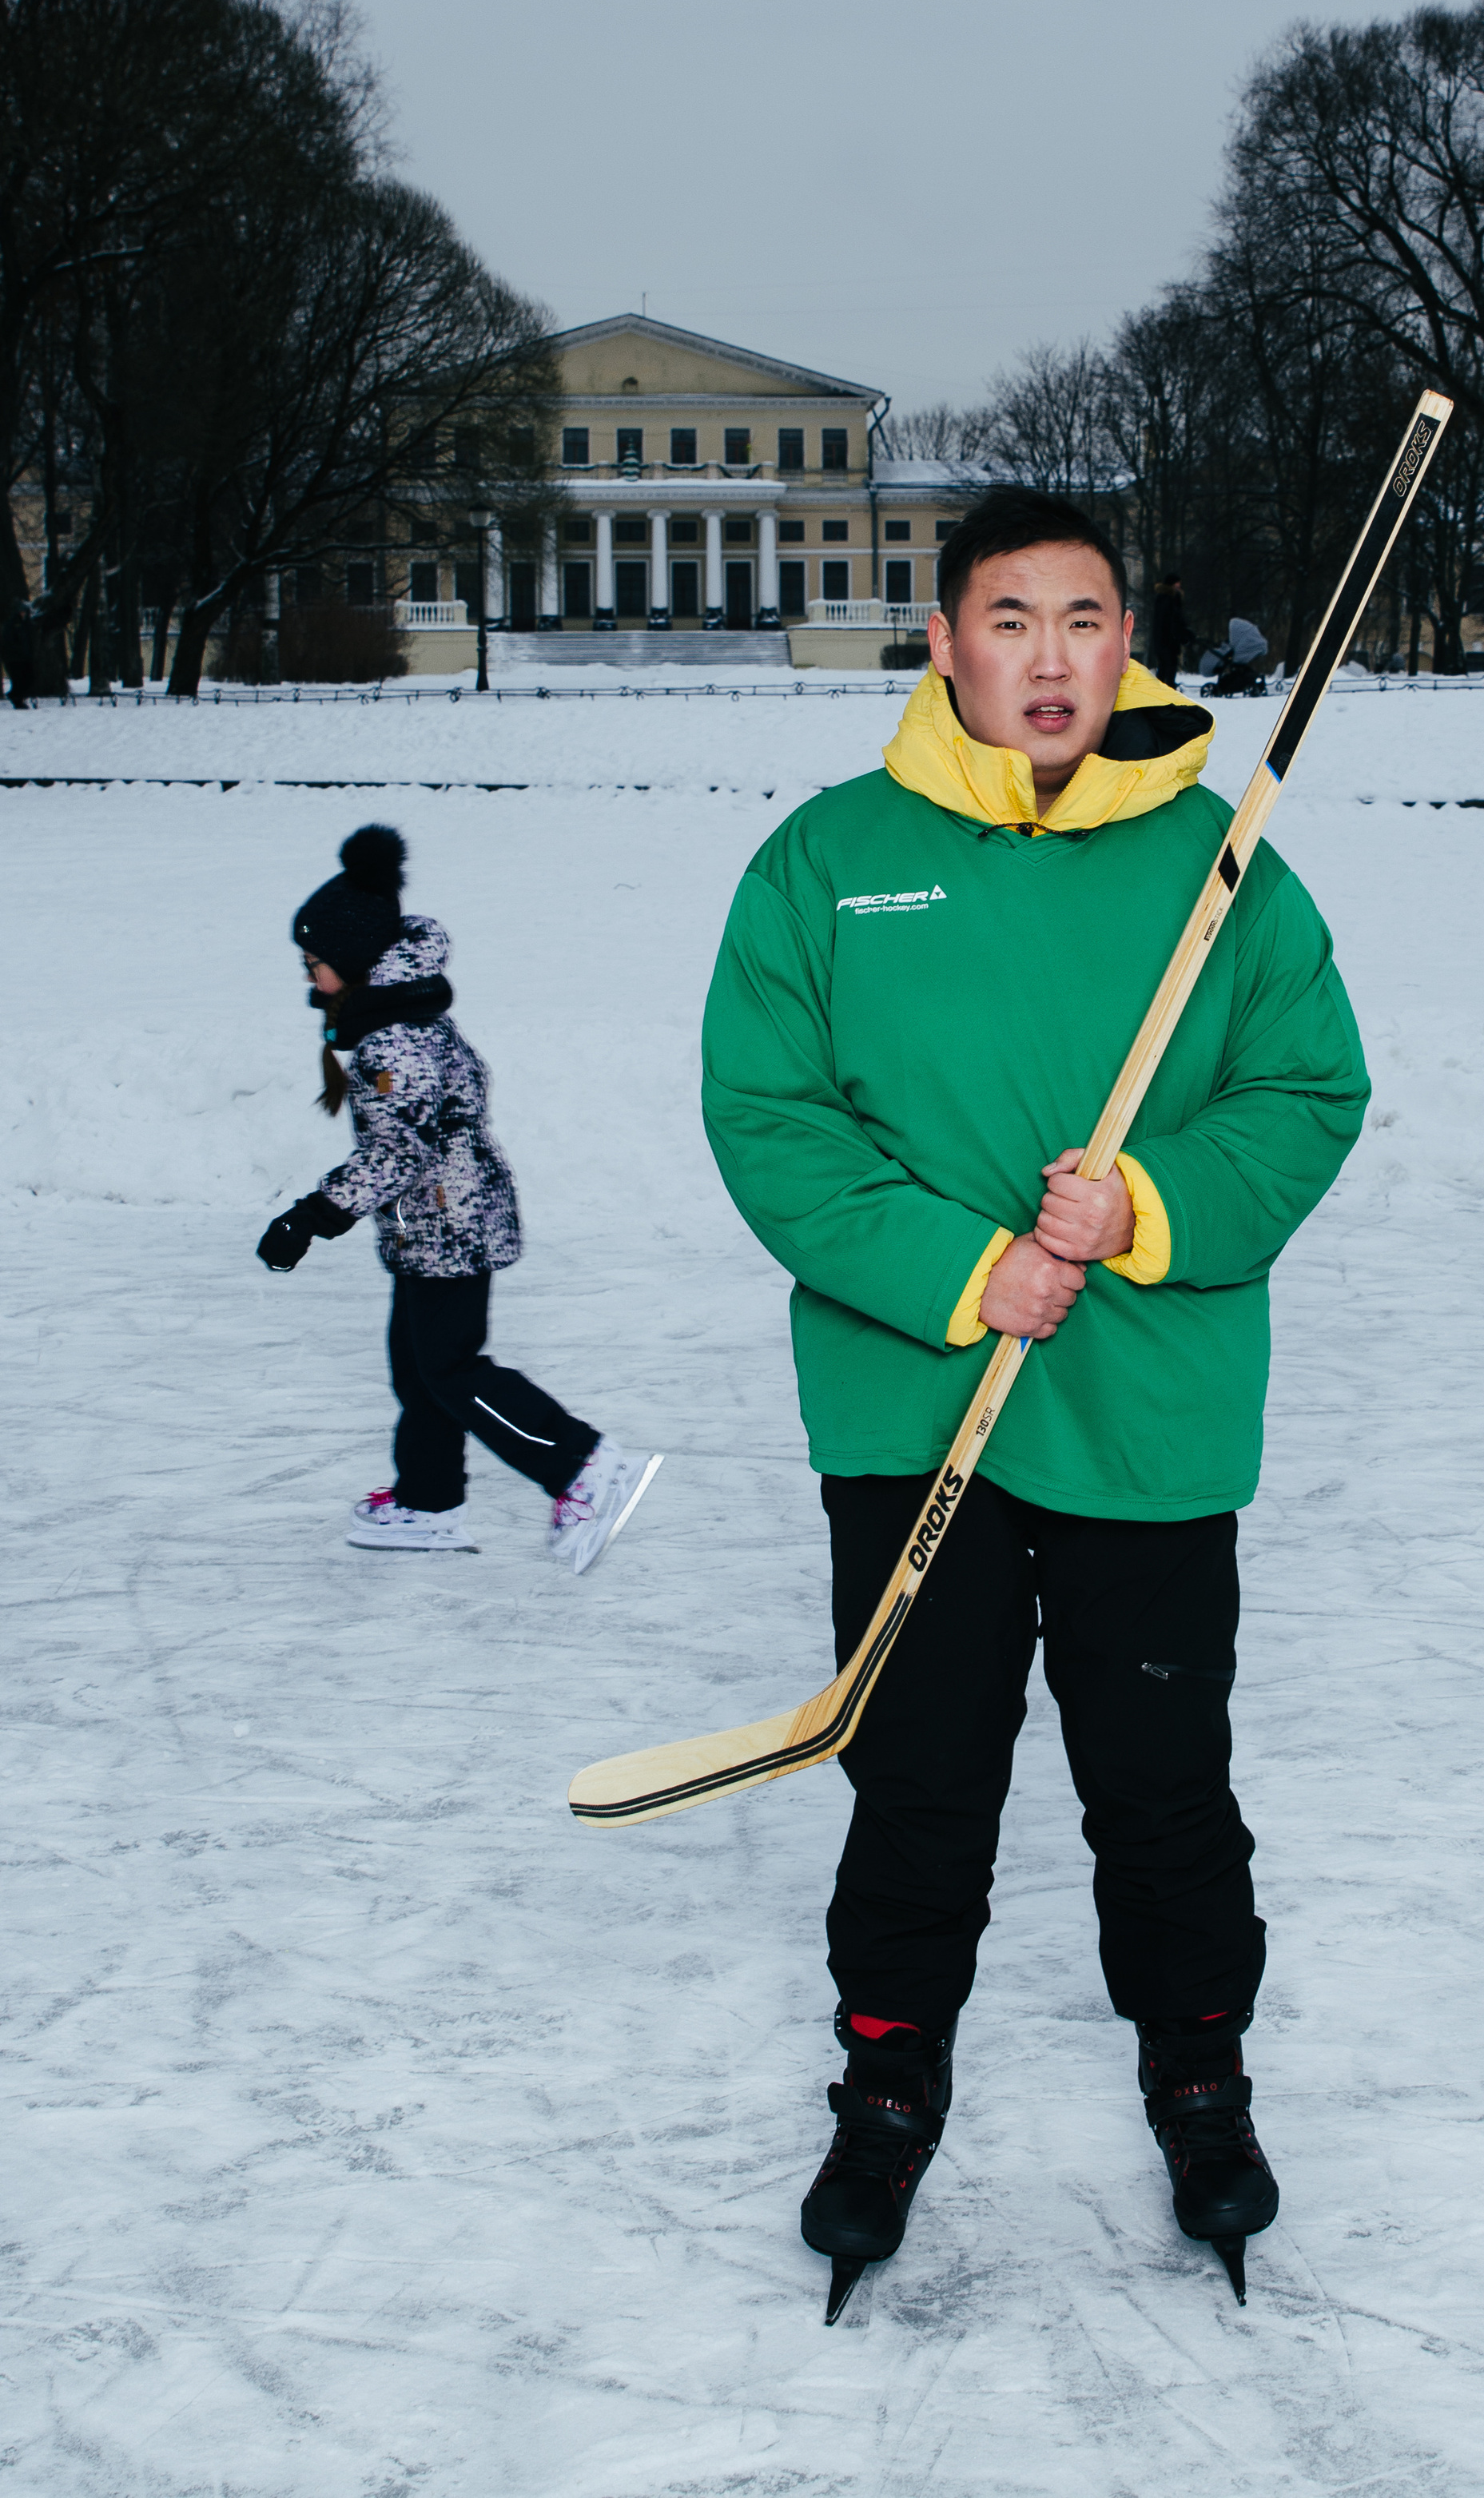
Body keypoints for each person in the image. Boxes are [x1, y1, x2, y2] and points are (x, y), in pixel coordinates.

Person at [701, 489, 1371, 2309]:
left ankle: (1199, 2072)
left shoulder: (1218, 866)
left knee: (1159, 1787)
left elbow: (1306, 1094)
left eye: (1084, 617)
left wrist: (1142, 1208)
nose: (1052, 656)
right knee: (916, 1779)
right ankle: (887, 2079)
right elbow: (766, 1117)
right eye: (1011, 619)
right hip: (916, 1415)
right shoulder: (828, 862)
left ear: (1123, 634)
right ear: (944, 642)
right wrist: (959, 1266)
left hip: (1145, 1419)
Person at [261, 825, 660, 1574]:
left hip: (448, 1226)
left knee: (451, 1369)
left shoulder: (394, 1044)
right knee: (418, 1371)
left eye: (314, 964)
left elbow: (396, 1152)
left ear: (350, 964)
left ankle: (581, 1465)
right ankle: (428, 1501)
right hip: (437, 1225)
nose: (310, 978)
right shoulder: (397, 1023)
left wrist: (310, 1218)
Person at [1148, 571, 1191, 685]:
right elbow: (1173, 620)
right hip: (1168, 641)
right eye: (1177, 583)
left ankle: (1161, 689)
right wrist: (1181, 634)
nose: (1179, 586)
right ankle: (1167, 688)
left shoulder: (1164, 598)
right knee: (1169, 665)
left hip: (1164, 640)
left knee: (1164, 666)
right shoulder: (1169, 599)